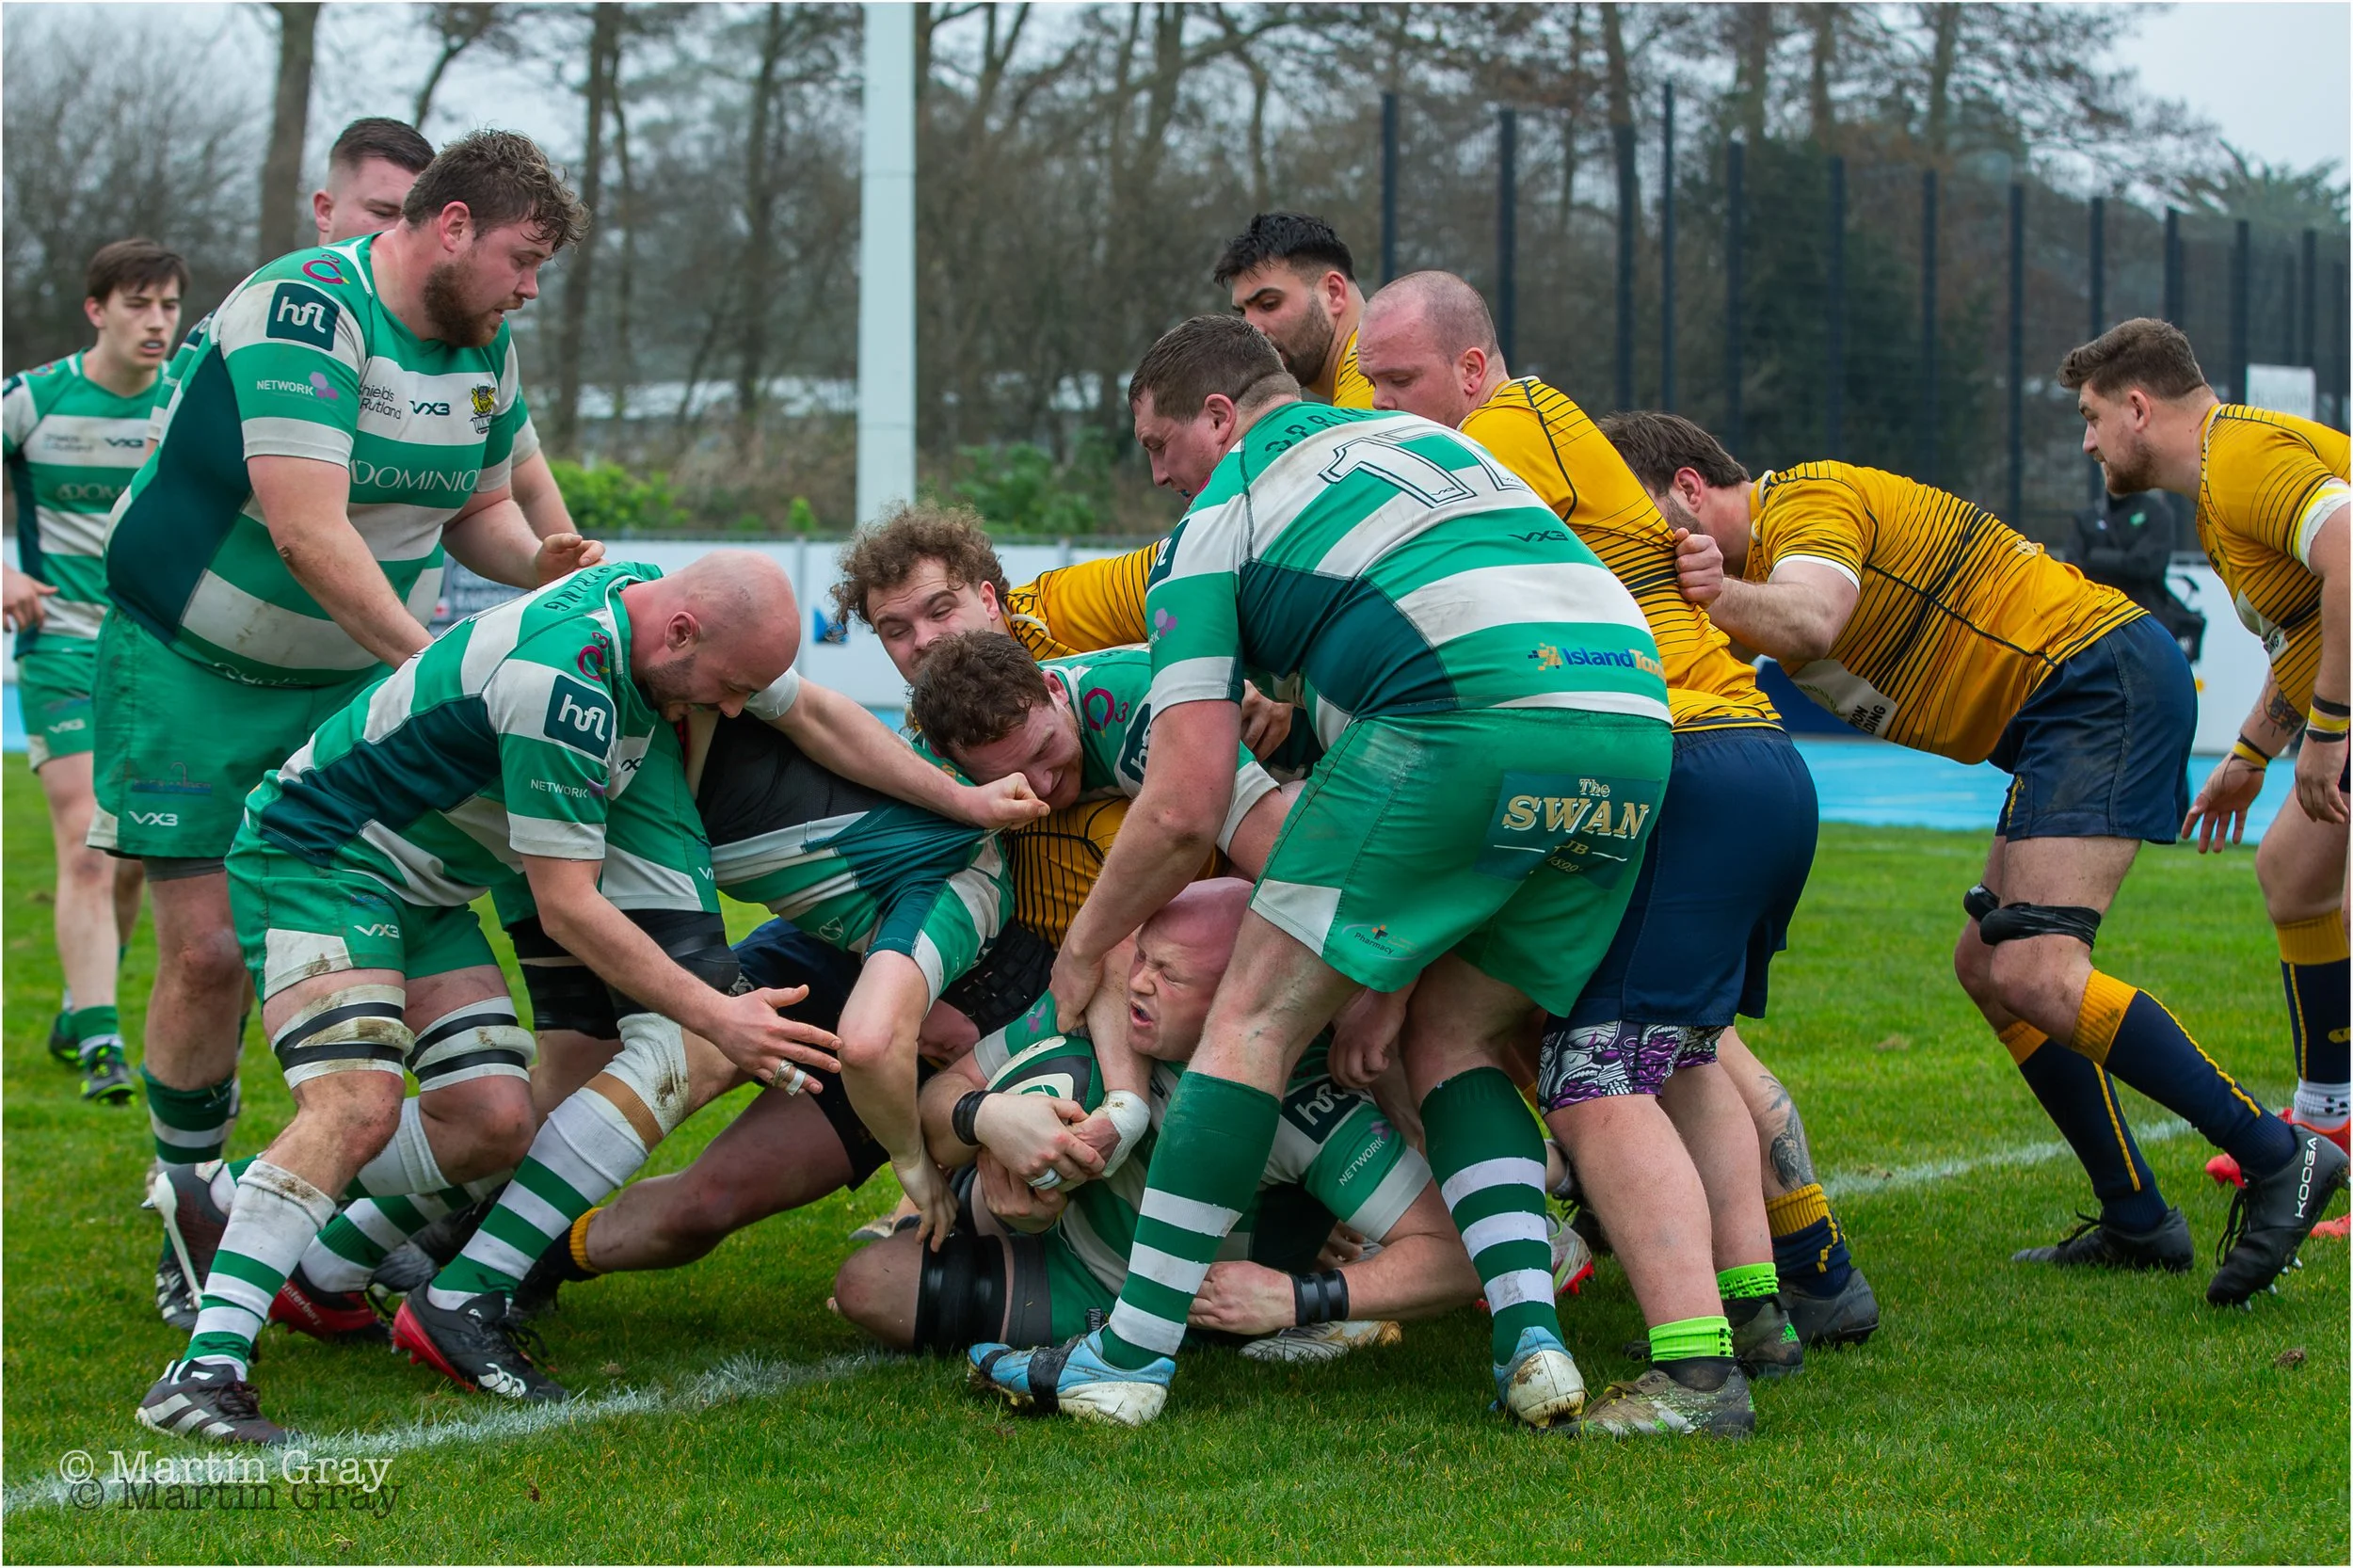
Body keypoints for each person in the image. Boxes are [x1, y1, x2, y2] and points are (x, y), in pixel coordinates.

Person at [967, 314, 1673, 1430]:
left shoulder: (1213, 522)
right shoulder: (1424, 441)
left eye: (1157, 444)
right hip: (1630, 717)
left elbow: (1183, 805)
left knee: (1249, 1019)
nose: (1156, 475)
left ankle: (1129, 1358)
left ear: (1218, 417)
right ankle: (1528, 1335)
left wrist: (1089, 943)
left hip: (1463, 710)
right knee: (1456, 1034)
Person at [1603, 408, 2346, 1306]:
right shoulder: (1737, 577)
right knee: (1988, 965)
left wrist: (1710, 593)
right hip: (2062, 706)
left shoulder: (1804, 502)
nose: (1636, 547)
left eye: (1640, 521)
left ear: (1689, 487)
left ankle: (2280, 1155)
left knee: (2037, 971)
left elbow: (1813, 617)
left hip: (2096, 679)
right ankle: (2138, 1217)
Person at [136, 554, 841, 1443]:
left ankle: (229, 1196)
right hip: (318, 856)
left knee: (494, 1125)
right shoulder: (562, 684)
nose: (729, 711)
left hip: (422, 887)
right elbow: (568, 908)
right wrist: (717, 1016)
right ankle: (203, 1374)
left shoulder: (634, 596)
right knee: (354, 1107)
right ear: (680, 633)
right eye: (730, 687)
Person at [94, 131, 598, 1291]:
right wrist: (435, 669)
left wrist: (535, 561)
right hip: (189, 668)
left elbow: (476, 509)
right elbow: (305, 531)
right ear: (453, 227)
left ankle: (289, 1196)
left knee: (376, 911)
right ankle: (192, 1200)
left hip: (347, 680)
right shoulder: (305, 310)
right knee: (209, 953)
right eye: (523, 260)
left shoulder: (485, 341)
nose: (529, 290)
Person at [1354, 270, 1856, 1390]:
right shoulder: (1528, 445)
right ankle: (1752, 1312)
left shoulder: (1506, 424)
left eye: (1398, 380)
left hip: (1682, 768)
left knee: (1593, 1076)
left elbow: (1382, 547)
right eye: (1368, 383)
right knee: (1677, 1056)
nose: (1380, 408)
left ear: (1472, 369)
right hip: (1752, 763)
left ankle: (1692, 1376)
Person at [835, 879, 1477, 1368]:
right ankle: (980, 1213)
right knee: (1052, 1085)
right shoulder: (1102, 1005)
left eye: (1168, 974)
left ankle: (1156, 1328)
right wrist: (987, 1117)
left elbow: (1457, 1256)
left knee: (869, 1287)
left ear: (1235, 996)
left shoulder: (1305, 1104)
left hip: (1108, 1282)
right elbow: (940, 1101)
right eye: (1142, 957)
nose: (1137, 982)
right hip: (1050, 1214)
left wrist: (1294, 1298)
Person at [2059, 319, 2350, 1228]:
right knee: (2294, 872)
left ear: (2138, 407)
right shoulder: (2222, 488)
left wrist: (2329, 734)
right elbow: (2308, 627)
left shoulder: (2245, 458)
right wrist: (2254, 753)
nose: (2088, 442)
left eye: (2092, 417)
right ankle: (2330, 1119)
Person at [3, 238, 184, 1103]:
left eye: (169, 306)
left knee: (132, 852)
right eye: (138, 305)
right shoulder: (32, 399)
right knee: (83, 837)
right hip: (62, 645)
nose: (157, 323)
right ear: (96, 310)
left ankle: (81, 1004)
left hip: (158, 654)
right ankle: (105, 1041)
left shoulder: (189, 400)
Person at [1214, 212, 1372, 408]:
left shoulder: (1371, 390)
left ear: (1333, 293)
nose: (1252, 330)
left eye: (1269, 304)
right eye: (1243, 313)